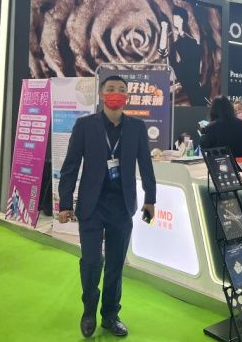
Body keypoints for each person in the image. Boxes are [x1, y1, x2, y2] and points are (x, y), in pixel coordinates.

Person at [58, 75, 157, 338]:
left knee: (115, 265)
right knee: (91, 262)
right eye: (111, 89)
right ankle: (89, 310)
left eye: (121, 90)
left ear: (127, 97)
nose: (116, 93)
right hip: (91, 206)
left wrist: (150, 199)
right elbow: (70, 166)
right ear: (102, 94)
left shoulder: (136, 127)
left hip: (121, 206)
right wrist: (65, 202)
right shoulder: (85, 125)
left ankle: (111, 315)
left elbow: (146, 165)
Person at [158, 6, 206, 106]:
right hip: (183, 79)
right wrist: (164, 29)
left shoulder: (189, 38)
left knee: (197, 102)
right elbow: (162, 51)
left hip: (190, 80)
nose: (175, 20)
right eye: (174, 17)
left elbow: (196, 58)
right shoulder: (173, 36)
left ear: (182, 19)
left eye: (177, 18)